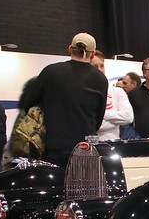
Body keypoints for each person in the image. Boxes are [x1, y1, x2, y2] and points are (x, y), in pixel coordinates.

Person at [21, 33, 108, 166]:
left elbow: (28, 103)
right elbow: (98, 119)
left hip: (54, 144)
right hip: (87, 146)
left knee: (56, 183)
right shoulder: (100, 79)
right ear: (92, 54)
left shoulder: (51, 72)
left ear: (69, 49)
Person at [91, 51, 134, 141]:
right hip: (88, 146)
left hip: (112, 145)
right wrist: (115, 120)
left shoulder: (118, 91)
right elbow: (90, 125)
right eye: (95, 66)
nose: (100, 69)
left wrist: (103, 115)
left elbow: (128, 117)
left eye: (102, 66)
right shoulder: (83, 92)